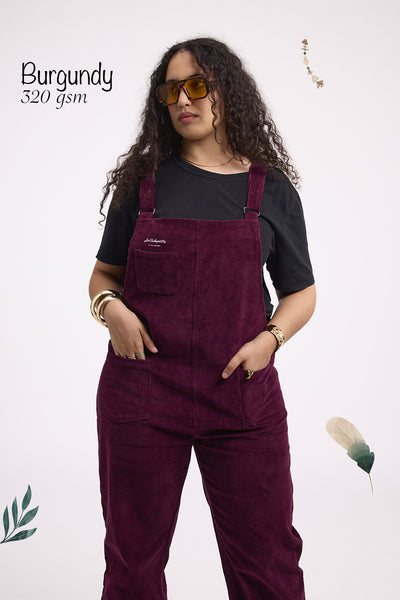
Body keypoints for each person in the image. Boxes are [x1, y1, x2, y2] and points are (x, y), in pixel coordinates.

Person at [89, 36, 316, 600]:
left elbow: (301, 293)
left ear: (226, 91)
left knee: (269, 565)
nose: (183, 100)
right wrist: (110, 310)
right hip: (141, 397)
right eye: (171, 91)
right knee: (132, 565)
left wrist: (270, 340)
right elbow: (103, 276)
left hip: (242, 397)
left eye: (196, 86)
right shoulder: (141, 186)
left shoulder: (271, 191)